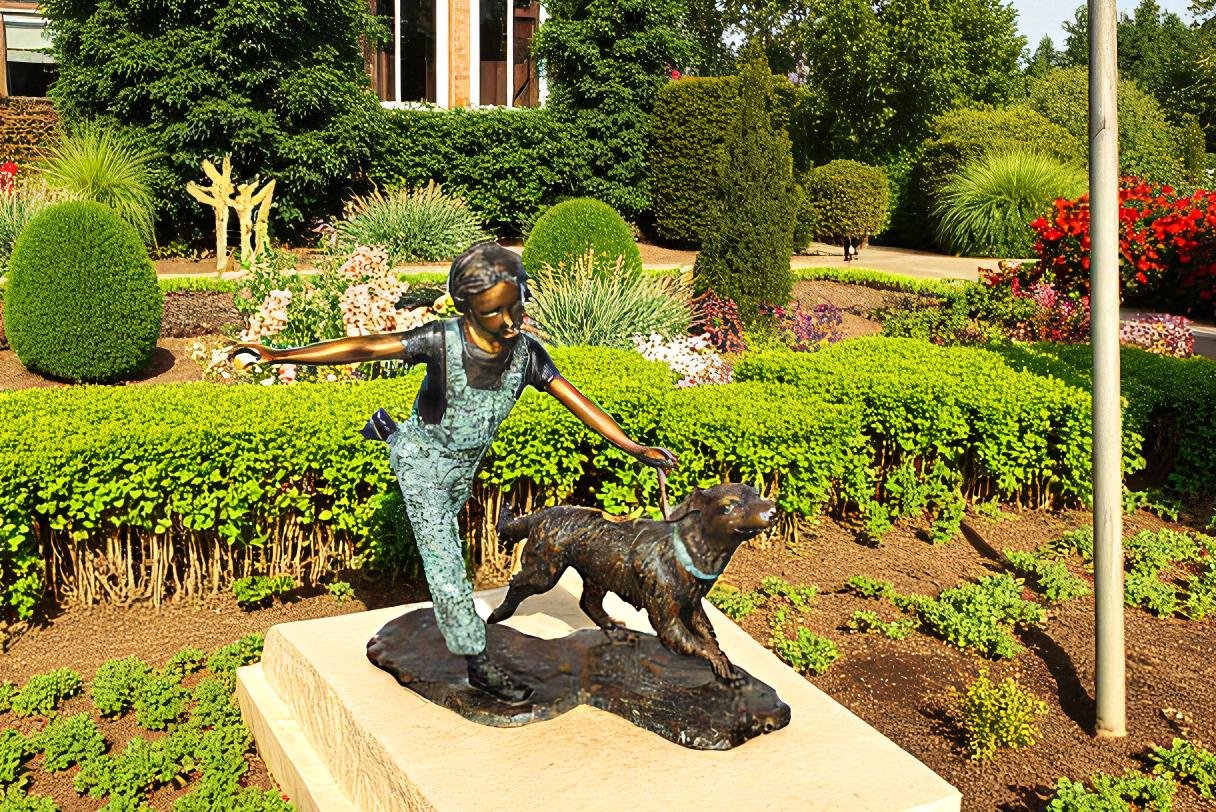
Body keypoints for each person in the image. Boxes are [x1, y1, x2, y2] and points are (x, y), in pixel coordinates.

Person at [232, 242, 676, 704]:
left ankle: (387, 430)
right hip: (423, 467)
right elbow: (365, 347)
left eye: (516, 304)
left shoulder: (527, 355)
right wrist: (279, 354)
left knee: (448, 548)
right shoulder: (440, 342)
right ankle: (478, 663)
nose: (509, 321)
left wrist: (633, 446)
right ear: (466, 310)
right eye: (492, 313)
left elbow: (576, 399)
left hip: (462, 472)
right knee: (447, 568)